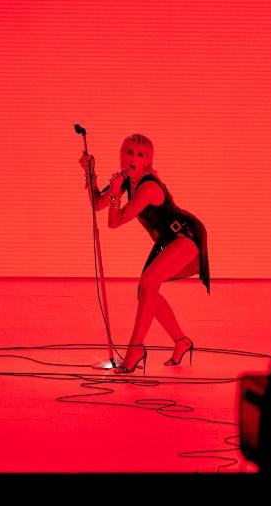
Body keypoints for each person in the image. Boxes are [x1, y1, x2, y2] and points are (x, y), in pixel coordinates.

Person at [80, 134, 210, 374]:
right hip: (167, 239)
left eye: (141, 155)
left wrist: (117, 192)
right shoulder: (127, 179)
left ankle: (135, 350)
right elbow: (97, 204)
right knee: (147, 290)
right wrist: (91, 175)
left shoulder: (148, 187)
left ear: (148, 160)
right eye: (129, 152)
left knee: (148, 284)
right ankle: (181, 341)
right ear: (121, 153)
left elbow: (114, 222)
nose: (133, 158)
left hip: (185, 235)